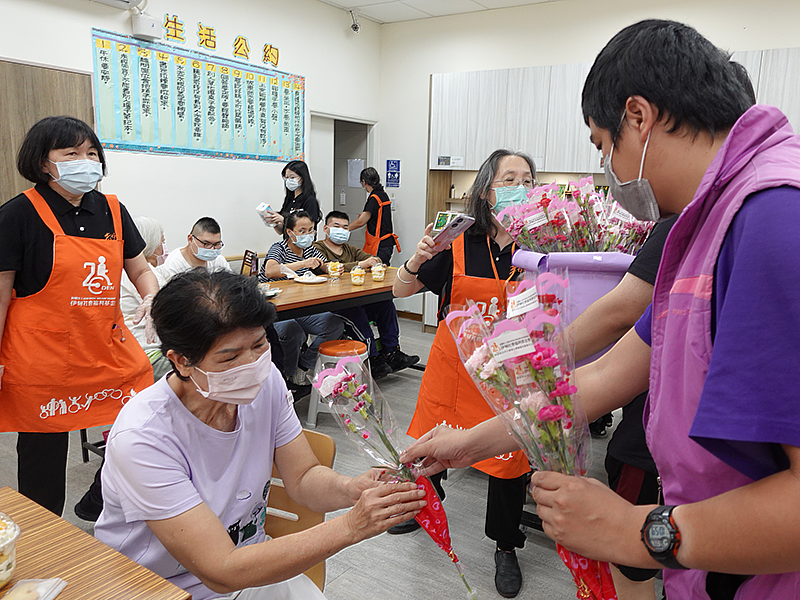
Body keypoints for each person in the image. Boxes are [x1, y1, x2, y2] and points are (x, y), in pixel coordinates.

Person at [401, 19, 800, 600]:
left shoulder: (771, 222)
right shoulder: (708, 224)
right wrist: (469, 442)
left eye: (602, 147)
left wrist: (638, 529)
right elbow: (606, 375)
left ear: (638, 117)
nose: (610, 174)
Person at [94, 269, 426, 600]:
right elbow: (221, 569)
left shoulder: (265, 384)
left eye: (259, 344)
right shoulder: (144, 437)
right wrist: (352, 526)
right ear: (182, 361)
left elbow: (304, 477)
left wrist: (351, 488)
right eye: (231, 357)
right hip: (158, 586)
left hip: (252, 566)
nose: (253, 364)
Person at [393, 150, 536, 598]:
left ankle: (506, 545)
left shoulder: (540, 246)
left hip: (510, 369)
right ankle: (425, 506)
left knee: (510, 460)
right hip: (452, 367)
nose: (519, 187)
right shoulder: (457, 239)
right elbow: (401, 289)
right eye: (509, 178)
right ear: (486, 190)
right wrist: (416, 258)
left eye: (527, 180)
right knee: (432, 439)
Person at [0, 116, 155, 516]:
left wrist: (152, 296)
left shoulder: (113, 210)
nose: (85, 161)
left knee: (139, 427)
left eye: (91, 153)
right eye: (71, 153)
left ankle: (101, 500)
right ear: (43, 163)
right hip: (41, 359)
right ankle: (43, 544)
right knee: (42, 466)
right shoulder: (17, 215)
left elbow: (139, 269)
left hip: (104, 350)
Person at [564, 215, 677, 600]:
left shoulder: (684, 224)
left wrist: (540, 363)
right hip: (657, 439)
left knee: (634, 565)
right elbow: (612, 370)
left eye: (604, 149)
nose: (604, 164)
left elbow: (619, 316)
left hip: (653, 449)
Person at [312, 210, 419, 379]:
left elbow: (373, 259)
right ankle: (372, 359)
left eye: (345, 227)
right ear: (326, 228)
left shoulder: (349, 249)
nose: (341, 230)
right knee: (355, 312)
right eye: (336, 226)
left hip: (353, 298)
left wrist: (374, 263)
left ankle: (391, 351)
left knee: (385, 304)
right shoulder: (317, 249)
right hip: (334, 305)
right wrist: (361, 264)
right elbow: (329, 268)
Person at [259, 210, 344, 393]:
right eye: (302, 230)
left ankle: (304, 365)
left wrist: (332, 267)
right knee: (293, 331)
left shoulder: (311, 249)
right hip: (276, 308)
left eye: (311, 230)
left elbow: (323, 264)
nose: (308, 235)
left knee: (334, 324)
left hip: (302, 306)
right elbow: (270, 271)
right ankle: (287, 378)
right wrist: (302, 264)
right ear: (290, 232)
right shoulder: (279, 248)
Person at [348, 167, 400, 265]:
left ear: (364, 182)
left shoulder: (374, 199)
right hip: (387, 243)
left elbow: (361, 222)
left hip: (379, 244)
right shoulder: (383, 195)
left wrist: (345, 229)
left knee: (376, 271)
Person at [158, 216, 232, 282]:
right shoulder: (174, 265)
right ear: (190, 239)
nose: (212, 249)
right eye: (206, 244)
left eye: (216, 244)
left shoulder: (219, 261)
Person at [264, 160, 322, 234]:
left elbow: (309, 229)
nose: (288, 180)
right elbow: (281, 231)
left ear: (302, 178)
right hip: (288, 243)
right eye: (286, 177)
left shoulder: (310, 200)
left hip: (303, 243)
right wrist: (274, 223)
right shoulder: (289, 199)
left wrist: (283, 219)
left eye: (292, 177)